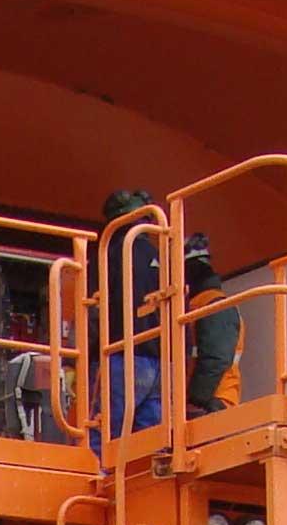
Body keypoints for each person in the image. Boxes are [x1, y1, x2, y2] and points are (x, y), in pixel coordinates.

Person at [96, 187, 167, 439]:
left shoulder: (111, 252)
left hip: (125, 356)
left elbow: (98, 305)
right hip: (161, 359)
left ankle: (100, 474)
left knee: (103, 435)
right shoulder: (160, 255)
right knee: (147, 441)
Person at [180, 232, 243, 420]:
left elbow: (216, 358)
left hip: (212, 405)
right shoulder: (198, 305)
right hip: (206, 404)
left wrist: (195, 399)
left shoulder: (215, 306)